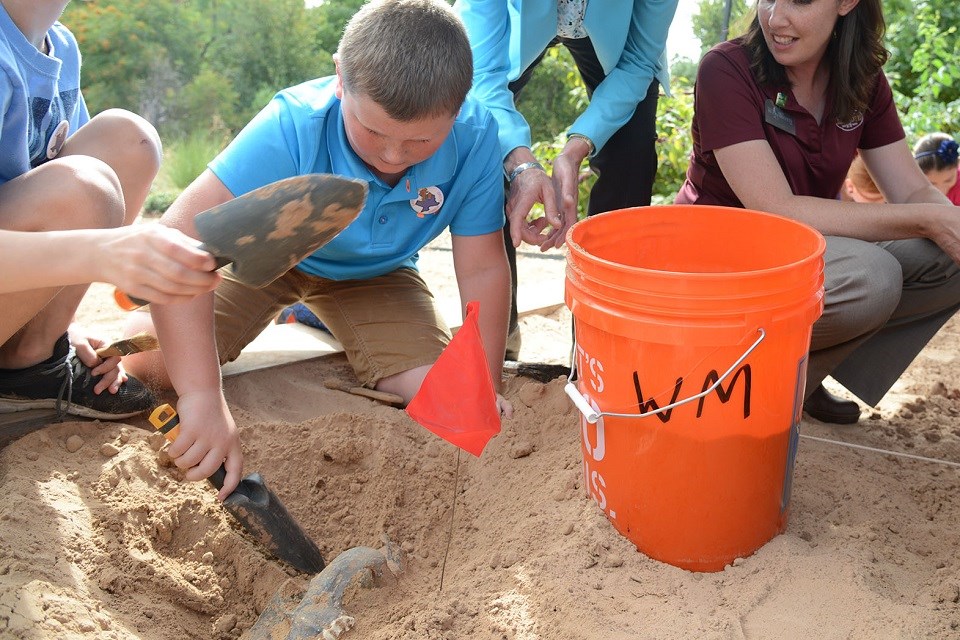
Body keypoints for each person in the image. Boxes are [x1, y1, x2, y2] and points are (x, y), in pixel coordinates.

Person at [122, 0, 513, 499]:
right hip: (270, 261)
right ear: (340, 80)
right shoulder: (293, 124)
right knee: (151, 365)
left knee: (451, 401)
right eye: (372, 131)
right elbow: (178, 237)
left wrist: (487, 381)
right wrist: (202, 395)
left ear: (458, 109)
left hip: (380, 276)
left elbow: (482, 268)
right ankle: (303, 309)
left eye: (419, 141)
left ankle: (318, 314)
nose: (393, 156)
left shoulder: (478, 136)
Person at [675, 0, 960, 425]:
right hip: (721, 261)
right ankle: (737, 380)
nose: (774, 16)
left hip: (805, 251)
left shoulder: (862, 79)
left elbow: (914, 188)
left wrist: (950, 224)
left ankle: (802, 377)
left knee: (947, 259)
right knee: (872, 277)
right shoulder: (726, 69)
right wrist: (929, 219)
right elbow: (775, 209)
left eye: (800, 0)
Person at [0, 0, 220, 420]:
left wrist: (57, 324)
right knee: (84, 185)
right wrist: (101, 254)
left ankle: (29, 362)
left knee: (128, 140)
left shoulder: (60, 45)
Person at [454, 0, 680, 358]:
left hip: (618, 43)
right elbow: (480, 74)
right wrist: (521, 164)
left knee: (632, 154)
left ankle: (600, 339)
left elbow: (638, 61)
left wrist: (577, 148)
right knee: (479, 137)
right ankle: (500, 328)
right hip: (514, 29)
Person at [913, 133, 960, 205]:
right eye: (931, 183)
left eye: (948, 180)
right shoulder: (913, 189)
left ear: (958, 164)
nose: (941, 190)